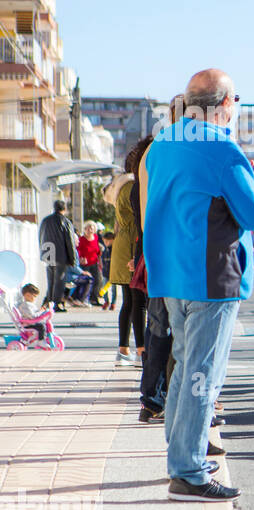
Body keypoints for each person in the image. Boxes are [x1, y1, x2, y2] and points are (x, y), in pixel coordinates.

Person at [141, 67, 254, 502]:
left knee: (185, 367)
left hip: (169, 273)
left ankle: (180, 453)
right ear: (224, 104)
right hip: (211, 273)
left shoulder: (163, 142)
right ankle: (187, 471)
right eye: (236, 101)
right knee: (204, 372)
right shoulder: (223, 147)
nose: (236, 109)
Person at [111, 141, 150, 366]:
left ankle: (124, 350)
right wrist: (136, 257)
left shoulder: (122, 186)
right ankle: (141, 351)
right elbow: (139, 220)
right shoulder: (133, 187)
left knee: (129, 301)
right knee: (138, 301)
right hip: (130, 246)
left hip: (124, 244)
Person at [38, 199, 77, 313]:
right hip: (61, 255)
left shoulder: (45, 221)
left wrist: (42, 253)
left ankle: (50, 302)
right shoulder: (65, 221)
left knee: (51, 281)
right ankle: (56, 304)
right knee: (59, 281)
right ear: (64, 209)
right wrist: (72, 259)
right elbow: (69, 241)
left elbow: (40, 236)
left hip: (48, 254)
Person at [77, 222, 103, 306]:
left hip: (94, 262)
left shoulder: (95, 237)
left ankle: (94, 299)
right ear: (84, 230)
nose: (89, 230)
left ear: (94, 230)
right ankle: (83, 299)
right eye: (87, 228)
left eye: (91, 228)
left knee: (98, 281)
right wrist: (81, 258)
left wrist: (100, 262)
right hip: (85, 264)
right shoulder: (81, 239)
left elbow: (98, 252)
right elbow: (77, 250)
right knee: (86, 282)